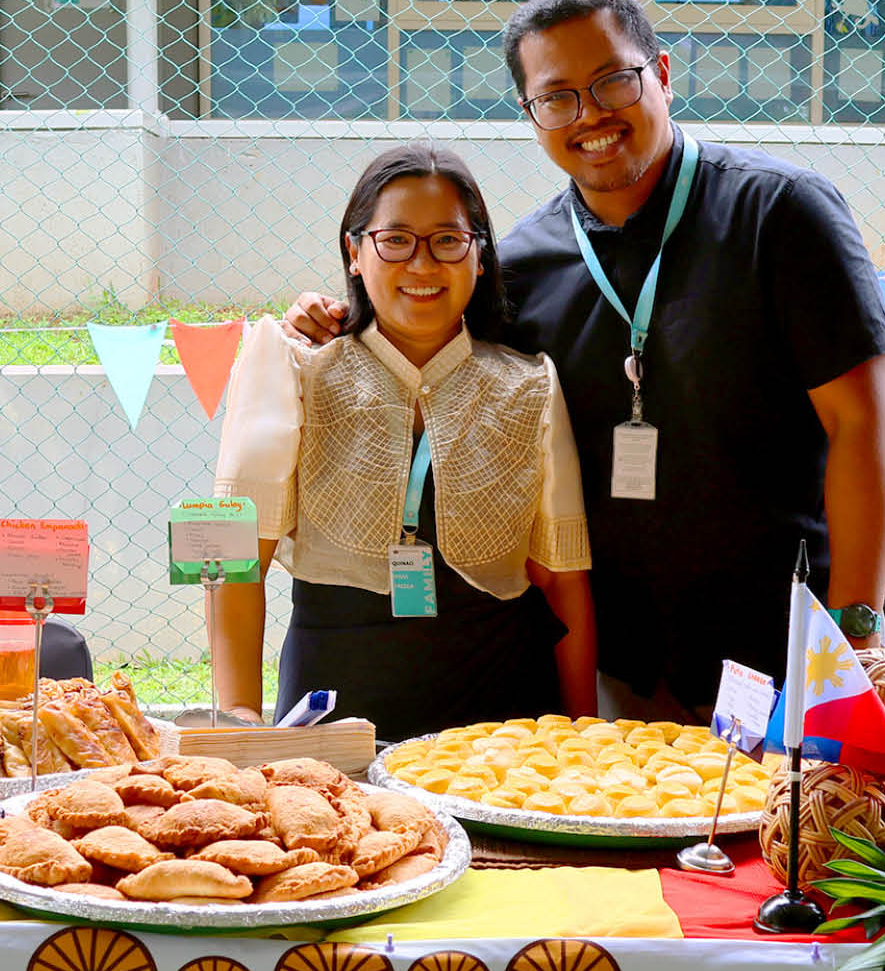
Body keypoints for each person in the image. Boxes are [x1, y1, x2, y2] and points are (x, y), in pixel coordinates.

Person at [289, 0, 885, 722]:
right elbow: (424, 346)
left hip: (782, 653)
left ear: (662, 75)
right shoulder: (521, 267)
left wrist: (854, 637)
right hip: (619, 663)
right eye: (558, 97)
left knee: (785, 841)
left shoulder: (779, 214)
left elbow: (861, 426)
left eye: (613, 81)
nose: (591, 115)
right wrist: (330, 323)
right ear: (531, 115)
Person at [211, 143, 596, 742]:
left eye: (447, 240)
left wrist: (580, 734)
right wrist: (237, 717)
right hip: (335, 711)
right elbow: (238, 564)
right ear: (355, 252)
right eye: (395, 240)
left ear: (479, 254)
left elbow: (562, 578)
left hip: (504, 721)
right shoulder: (294, 367)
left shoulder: (530, 384)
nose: (421, 264)